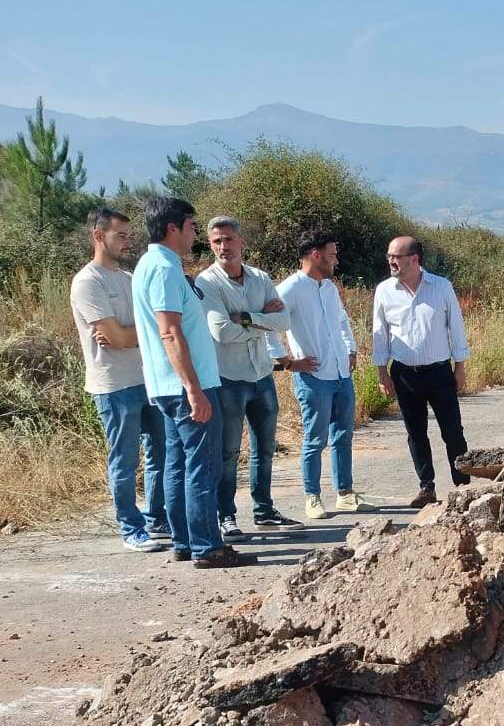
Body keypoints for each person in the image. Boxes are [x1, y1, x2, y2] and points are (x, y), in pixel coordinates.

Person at [133, 194, 245, 568]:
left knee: (179, 464)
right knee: (202, 466)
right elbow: (170, 331)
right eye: (191, 226)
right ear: (173, 228)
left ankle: (185, 540)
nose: (195, 234)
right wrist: (194, 389)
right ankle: (207, 547)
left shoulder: (151, 264)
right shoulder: (164, 269)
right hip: (185, 387)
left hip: (169, 386)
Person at [70, 207, 168, 552]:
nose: (128, 241)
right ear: (99, 236)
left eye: (129, 235)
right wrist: (136, 333)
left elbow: (144, 330)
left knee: (161, 452)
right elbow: (117, 336)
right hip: (114, 384)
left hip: (147, 379)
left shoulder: (128, 278)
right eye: (121, 235)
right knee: (125, 459)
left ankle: (158, 518)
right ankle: (130, 527)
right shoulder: (88, 282)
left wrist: (130, 334)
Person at [198, 216, 299, 538]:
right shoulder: (207, 282)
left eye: (228, 239)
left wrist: (244, 317)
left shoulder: (260, 278)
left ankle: (264, 510)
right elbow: (221, 332)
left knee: (265, 448)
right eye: (216, 241)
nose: (223, 247)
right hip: (229, 377)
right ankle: (225, 515)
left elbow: (283, 322)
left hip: (261, 373)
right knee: (228, 452)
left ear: (241, 241)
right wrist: (261, 322)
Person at [372, 236, 471, 507]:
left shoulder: (441, 287)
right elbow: (379, 333)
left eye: (397, 256)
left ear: (414, 259)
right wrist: (382, 372)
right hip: (404, 374)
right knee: (415, 433)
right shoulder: (385, 290)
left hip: (439, 373)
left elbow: (456, 328)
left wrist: (460, 367)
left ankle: (463, 486)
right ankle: (426, 487)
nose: (391, 261)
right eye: (389, 256)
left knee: (452, 431)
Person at [272, 231, 358, 520]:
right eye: (332, 254)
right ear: (315, 254)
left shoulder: (329, 287)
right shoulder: (290, 288)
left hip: (341, 374)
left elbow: (342, 320)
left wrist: (350, 349)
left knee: (343, 435)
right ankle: (312, 497)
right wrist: (287, 362)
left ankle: (345, 494)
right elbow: (267, 324)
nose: (336, 259)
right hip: (314, 377)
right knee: (315, 439)